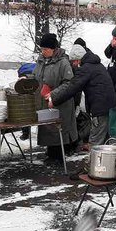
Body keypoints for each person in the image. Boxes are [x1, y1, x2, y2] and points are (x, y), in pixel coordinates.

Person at [48, 44, 116, 148]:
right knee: (105, 141)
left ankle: (95, 163)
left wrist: (54, 100)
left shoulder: (85, 69)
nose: (74, 64)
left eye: (73, 61)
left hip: (100, 109)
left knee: (96, 142)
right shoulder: (97, 65)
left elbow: (72, 87)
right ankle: (107, 163)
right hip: (109, 107)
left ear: (78, 59)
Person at [34, 33, 78, 162]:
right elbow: (36, 75)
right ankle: (50, 153)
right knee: (47, 127)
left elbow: (69, 82)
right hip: (44, 101)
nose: (43, 52)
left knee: (58, 128)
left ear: (54, 49)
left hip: (60, 102)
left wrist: (54, 94)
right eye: (41, 49)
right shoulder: (41, 60)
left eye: (46, 49)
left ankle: (58, 156)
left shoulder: (63, 62)